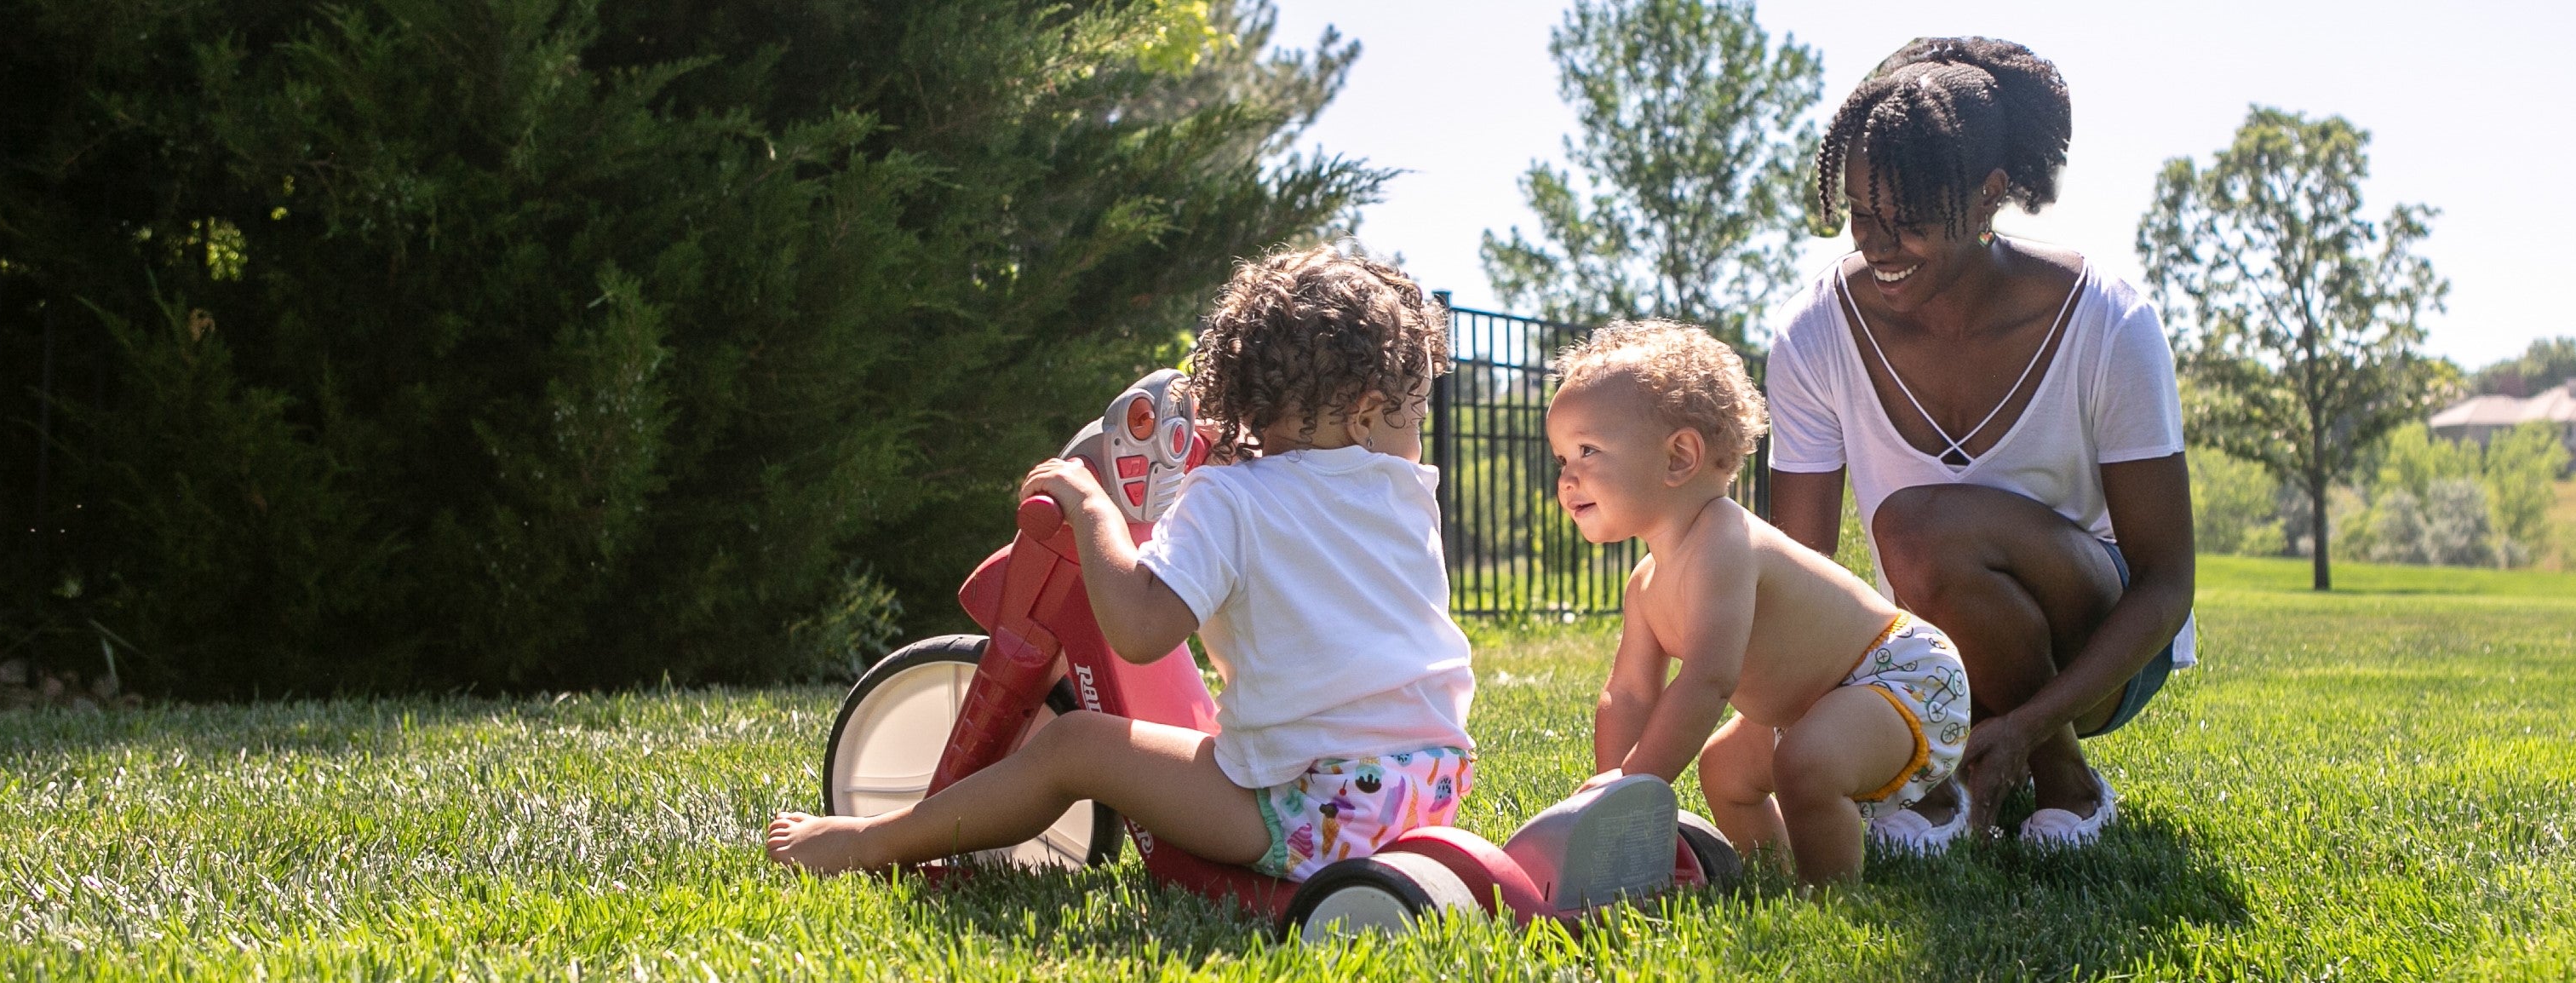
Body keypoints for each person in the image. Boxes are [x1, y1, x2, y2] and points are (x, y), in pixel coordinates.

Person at [765, 244, 1477, 881]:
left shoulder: (1229, 499)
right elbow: (1312, 517)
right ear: (1364, 412)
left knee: (1072, 746)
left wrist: (1094, 512)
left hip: (1312, 810)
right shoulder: (1406, 494)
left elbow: (1139, 630)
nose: (1415, 434)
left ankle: (874, 841)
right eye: (1413, 415)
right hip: (1427, 789)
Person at [1758, 37, 2198, 848]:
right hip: (1936, 652)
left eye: (1910, 220)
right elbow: (1799, 577)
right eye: (1860, 214)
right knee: (1920, 547)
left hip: (2099, 652)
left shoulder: (2108, 321)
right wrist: (1805, 735)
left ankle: (2067, 777)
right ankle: (1941, 779)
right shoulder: (1811, 333)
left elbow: (2168, 583)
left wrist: (2032, 724)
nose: (1877, 244)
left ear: (1989, 195)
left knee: (1918, 528)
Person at [1550, 320, 1970, 884]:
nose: (1567, 477)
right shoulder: (1645, 583)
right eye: (1561, 459)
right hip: (1812, 705)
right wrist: (1612, 797)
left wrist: (1635, 779)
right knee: (1724, 770)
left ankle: (1828, 904)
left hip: (1902, 677)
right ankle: (1774, 876)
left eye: (1587, 451)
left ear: (1679, 457)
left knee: (1804, 764)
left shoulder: (1725, 541)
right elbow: (1627, 693)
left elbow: (1707, 681)